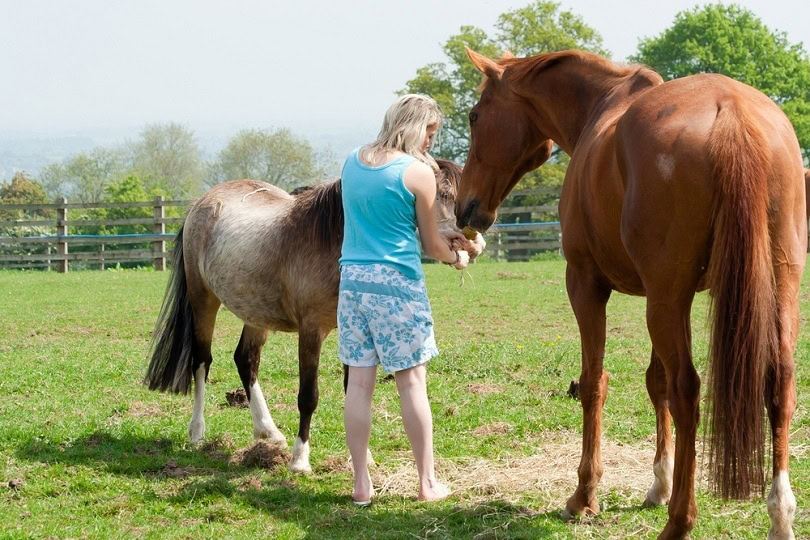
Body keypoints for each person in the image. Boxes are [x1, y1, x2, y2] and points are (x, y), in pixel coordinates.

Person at [338, 94, 470, 505]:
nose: (431, 142)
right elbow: (431, 246)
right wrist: (459, 257)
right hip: (397, 287)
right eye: (430, 133)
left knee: (359, 384)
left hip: (352, 282)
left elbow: (389, 225)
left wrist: (439, 238)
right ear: (416, 127)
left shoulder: (352, 162)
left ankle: (361, 484)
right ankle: (427, 483)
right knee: (411, 382)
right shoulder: (417, 173)